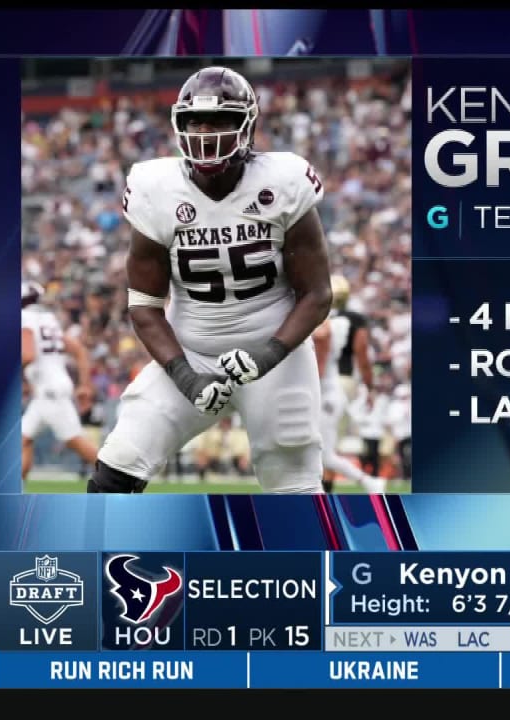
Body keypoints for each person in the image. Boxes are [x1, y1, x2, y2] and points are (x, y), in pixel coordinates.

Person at [89, 66, 333, 494]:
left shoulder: (283, 180)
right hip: (192, 351)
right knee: (121, 457)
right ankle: (95, 561)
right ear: (178, 126)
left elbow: (316, 294)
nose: (206, 132)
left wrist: (269, 354)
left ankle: (310, 565)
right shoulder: (155, 187)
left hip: (276, 350)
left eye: (220, 121)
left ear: (248, 124)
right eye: (195, 122)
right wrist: (185, 376)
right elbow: (144, 306)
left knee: (293, 482)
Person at [313, 274, 386, 494]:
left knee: (324, 447)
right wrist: (369, 386)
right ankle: (324, 491)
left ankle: (330, 489)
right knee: (325, 444)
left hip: (332, 382)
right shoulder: (353, 319)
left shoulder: (318, 319)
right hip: (344, 381)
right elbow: (362, 356)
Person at [22, 281, 99, 482]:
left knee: (76, 442)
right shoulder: (48, 319)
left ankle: (122, 476)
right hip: (47, 392)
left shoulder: (25, 318)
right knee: (22, 440)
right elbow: (79, 351)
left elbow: (28, 355)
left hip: (50, 393)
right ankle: (15, 491)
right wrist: (85, 385)